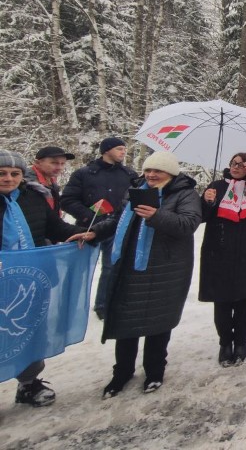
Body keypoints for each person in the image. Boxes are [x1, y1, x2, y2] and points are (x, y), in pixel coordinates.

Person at [85, 151, 201, 398]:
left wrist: (156, 215)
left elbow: (188, 224)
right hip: (131, 266)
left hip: (166, 268)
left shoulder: (184, 193)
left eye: (157, 171)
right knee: (127, 320)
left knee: (159, 322)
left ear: (170, 173)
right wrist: (95, 232)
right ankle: (122, 372)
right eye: (148, 170)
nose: (151, 175)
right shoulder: (135, 190)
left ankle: (154, 371)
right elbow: (118, 220)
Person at [0, 149, 88, 407]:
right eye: (2, 173)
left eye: (14, 173)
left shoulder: (33, 198)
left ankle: (28, 383)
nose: (8, 178)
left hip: (28, 280)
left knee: (29, 330)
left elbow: (55, 227)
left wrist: (86, 232)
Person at [199, 153, 246, 367]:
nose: (236, 167)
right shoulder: (217, 186)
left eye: (242, 164)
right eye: (234, 163)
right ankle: (225, 343)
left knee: (244, 300)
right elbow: (202, 216)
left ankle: (241, 342)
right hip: (219, 252)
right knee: (221, 300)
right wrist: (207, 202)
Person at [61, 137, 136, 320]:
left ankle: (104, 306)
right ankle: (68, 307)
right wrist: (88, 215)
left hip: (115, 229)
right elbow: (67, 200)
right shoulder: (83, 173)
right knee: (78, 270)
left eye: (124, 149)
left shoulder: (129, 174)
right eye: (119, 148)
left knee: (111, 268)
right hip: (86, 229)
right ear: (106, 150)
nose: (123, 152)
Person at [25, 146, 75, 213]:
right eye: (54, 163)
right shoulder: (27, 184)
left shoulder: (51, 180)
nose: (59, 167)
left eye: (62, 163)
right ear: (37, 163)